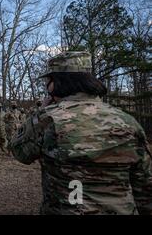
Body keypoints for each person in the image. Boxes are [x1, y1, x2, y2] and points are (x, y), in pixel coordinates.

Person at [11, 51, 152, 215]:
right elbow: (145, 184)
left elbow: (20, 152)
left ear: (57, 83)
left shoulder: (48, 119)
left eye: (48, 81)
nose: (46, 86)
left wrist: (39, 113)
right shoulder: (128, 121)